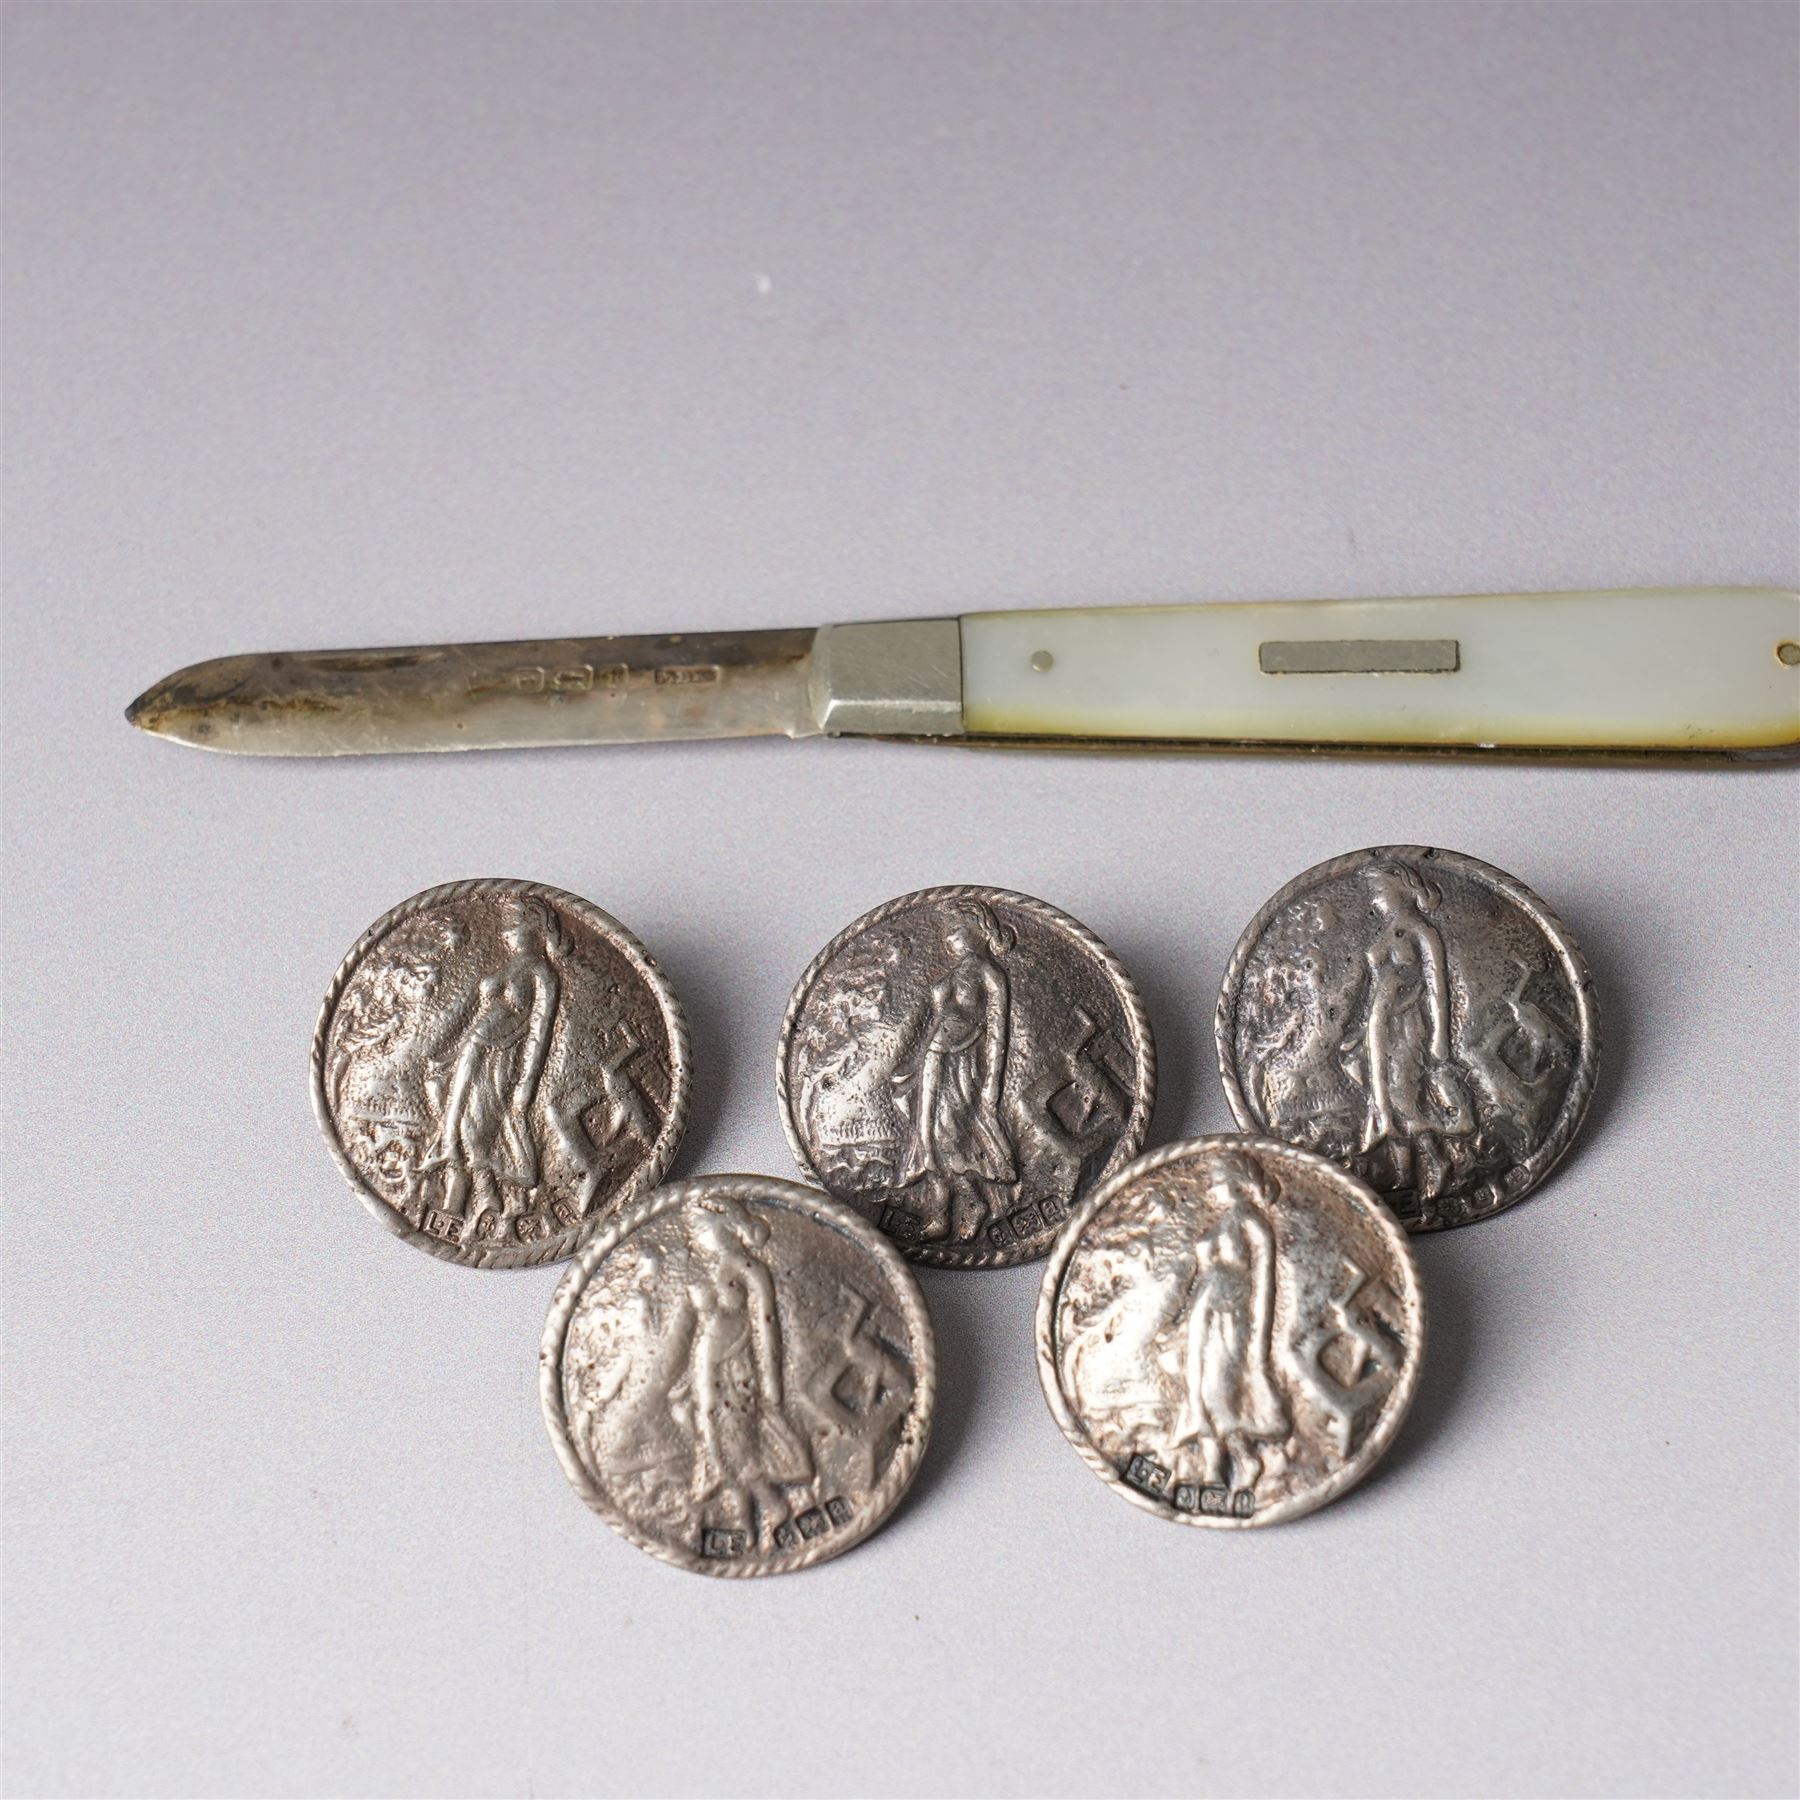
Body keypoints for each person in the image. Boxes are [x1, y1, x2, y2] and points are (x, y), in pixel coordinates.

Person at [421, 896, 560, 1238]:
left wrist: (526, 1084)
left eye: (513, 926)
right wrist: (452, 1053)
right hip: (475, 1050)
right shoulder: (511, 967)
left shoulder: (541, 973)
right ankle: (465, 1198)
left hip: (501, 1058)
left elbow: (540, 1033)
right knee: (457, 1119)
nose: (506, 934)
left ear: (531, 929)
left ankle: (493, 1206)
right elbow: (480, 1017)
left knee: (479, 1129)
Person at [686, 1195, 813, 1539]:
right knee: (715, 1440)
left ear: (723, 1230)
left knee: (736, 1443)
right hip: (709, 1368)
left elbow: (766, 1322)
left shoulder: (750, 1269)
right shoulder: (717, 1268)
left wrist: (772, 1383)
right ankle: (750, 1514)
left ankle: (763, 1511)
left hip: (735, 1372)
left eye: (700, 1229)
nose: (696, 1236)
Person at [889, 900, 1018, 1242]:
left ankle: (973, 1202)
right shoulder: (952, 974)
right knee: (926, 1132)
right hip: (934, 1055)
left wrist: (991, 1086)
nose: (950, 940)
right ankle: (941, 1214)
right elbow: (935, 1021)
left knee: (950, 1132)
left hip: (964, 1061)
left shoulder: (990, 975)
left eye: (957, 930)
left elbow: (998, 1031)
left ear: (978, 931)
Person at [1350, 861, 1474, 1193]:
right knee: (1382, 1097)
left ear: (1401, 889)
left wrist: (1441, 1037)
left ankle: (1440, 1160)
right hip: (1378, 1025)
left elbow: (1438, 986)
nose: (1375, 900)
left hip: (1408, 1024)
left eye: (1380, 891)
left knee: (1404, 1096)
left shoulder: (1423, 932)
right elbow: (1372, 987)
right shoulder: (1386, 931)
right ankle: (1404, 1174)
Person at [1174, 1150, 1290, 1496]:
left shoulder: (1252, 1223)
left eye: (1218, 1180)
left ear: (1236, 1183)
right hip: (1204, 1310)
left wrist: (1259, 1337)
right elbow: (1199, 1276)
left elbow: (1267, 1281)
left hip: (1232, 1313)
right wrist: (1183, 1316)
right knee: (1194, 1386)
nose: (1212, 1187)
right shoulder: (1221, 1222)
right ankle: (1211, 1467)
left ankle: (1244, 1458)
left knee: (1218, 1388)